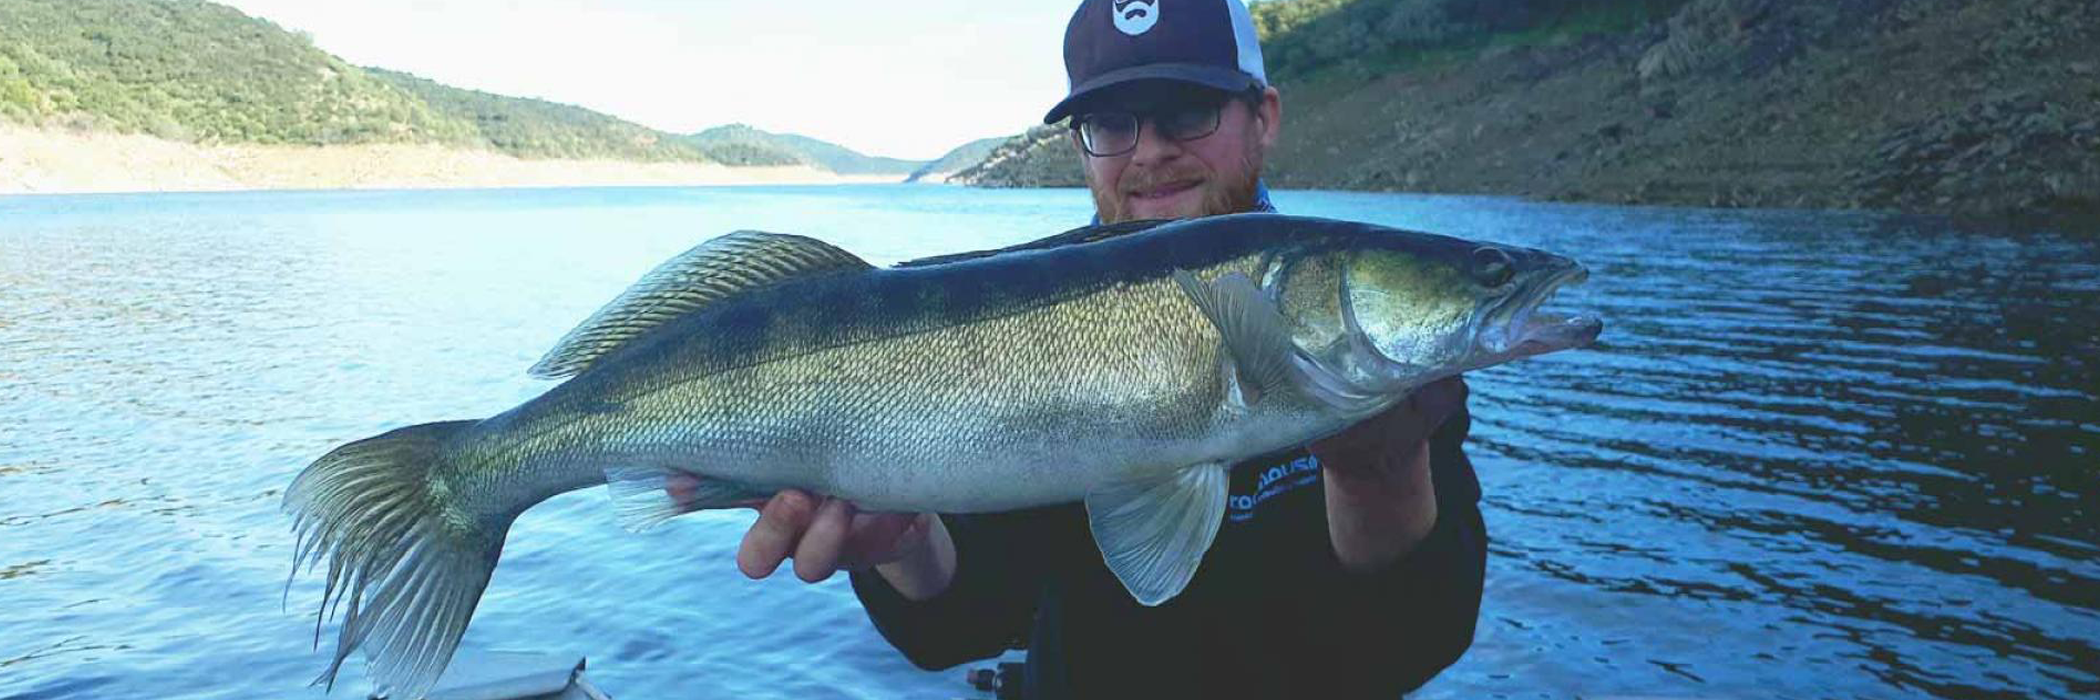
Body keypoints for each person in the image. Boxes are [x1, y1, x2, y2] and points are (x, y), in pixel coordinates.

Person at [715, 0, 1487, 696]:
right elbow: (964, 624)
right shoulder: (1018, 322)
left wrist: (1374, 476)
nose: (1147, 152)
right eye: (1112, 125)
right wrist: (905, 542)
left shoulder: (1362, 332)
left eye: (1187, 109)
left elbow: (1416, 641)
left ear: (1265, 116)